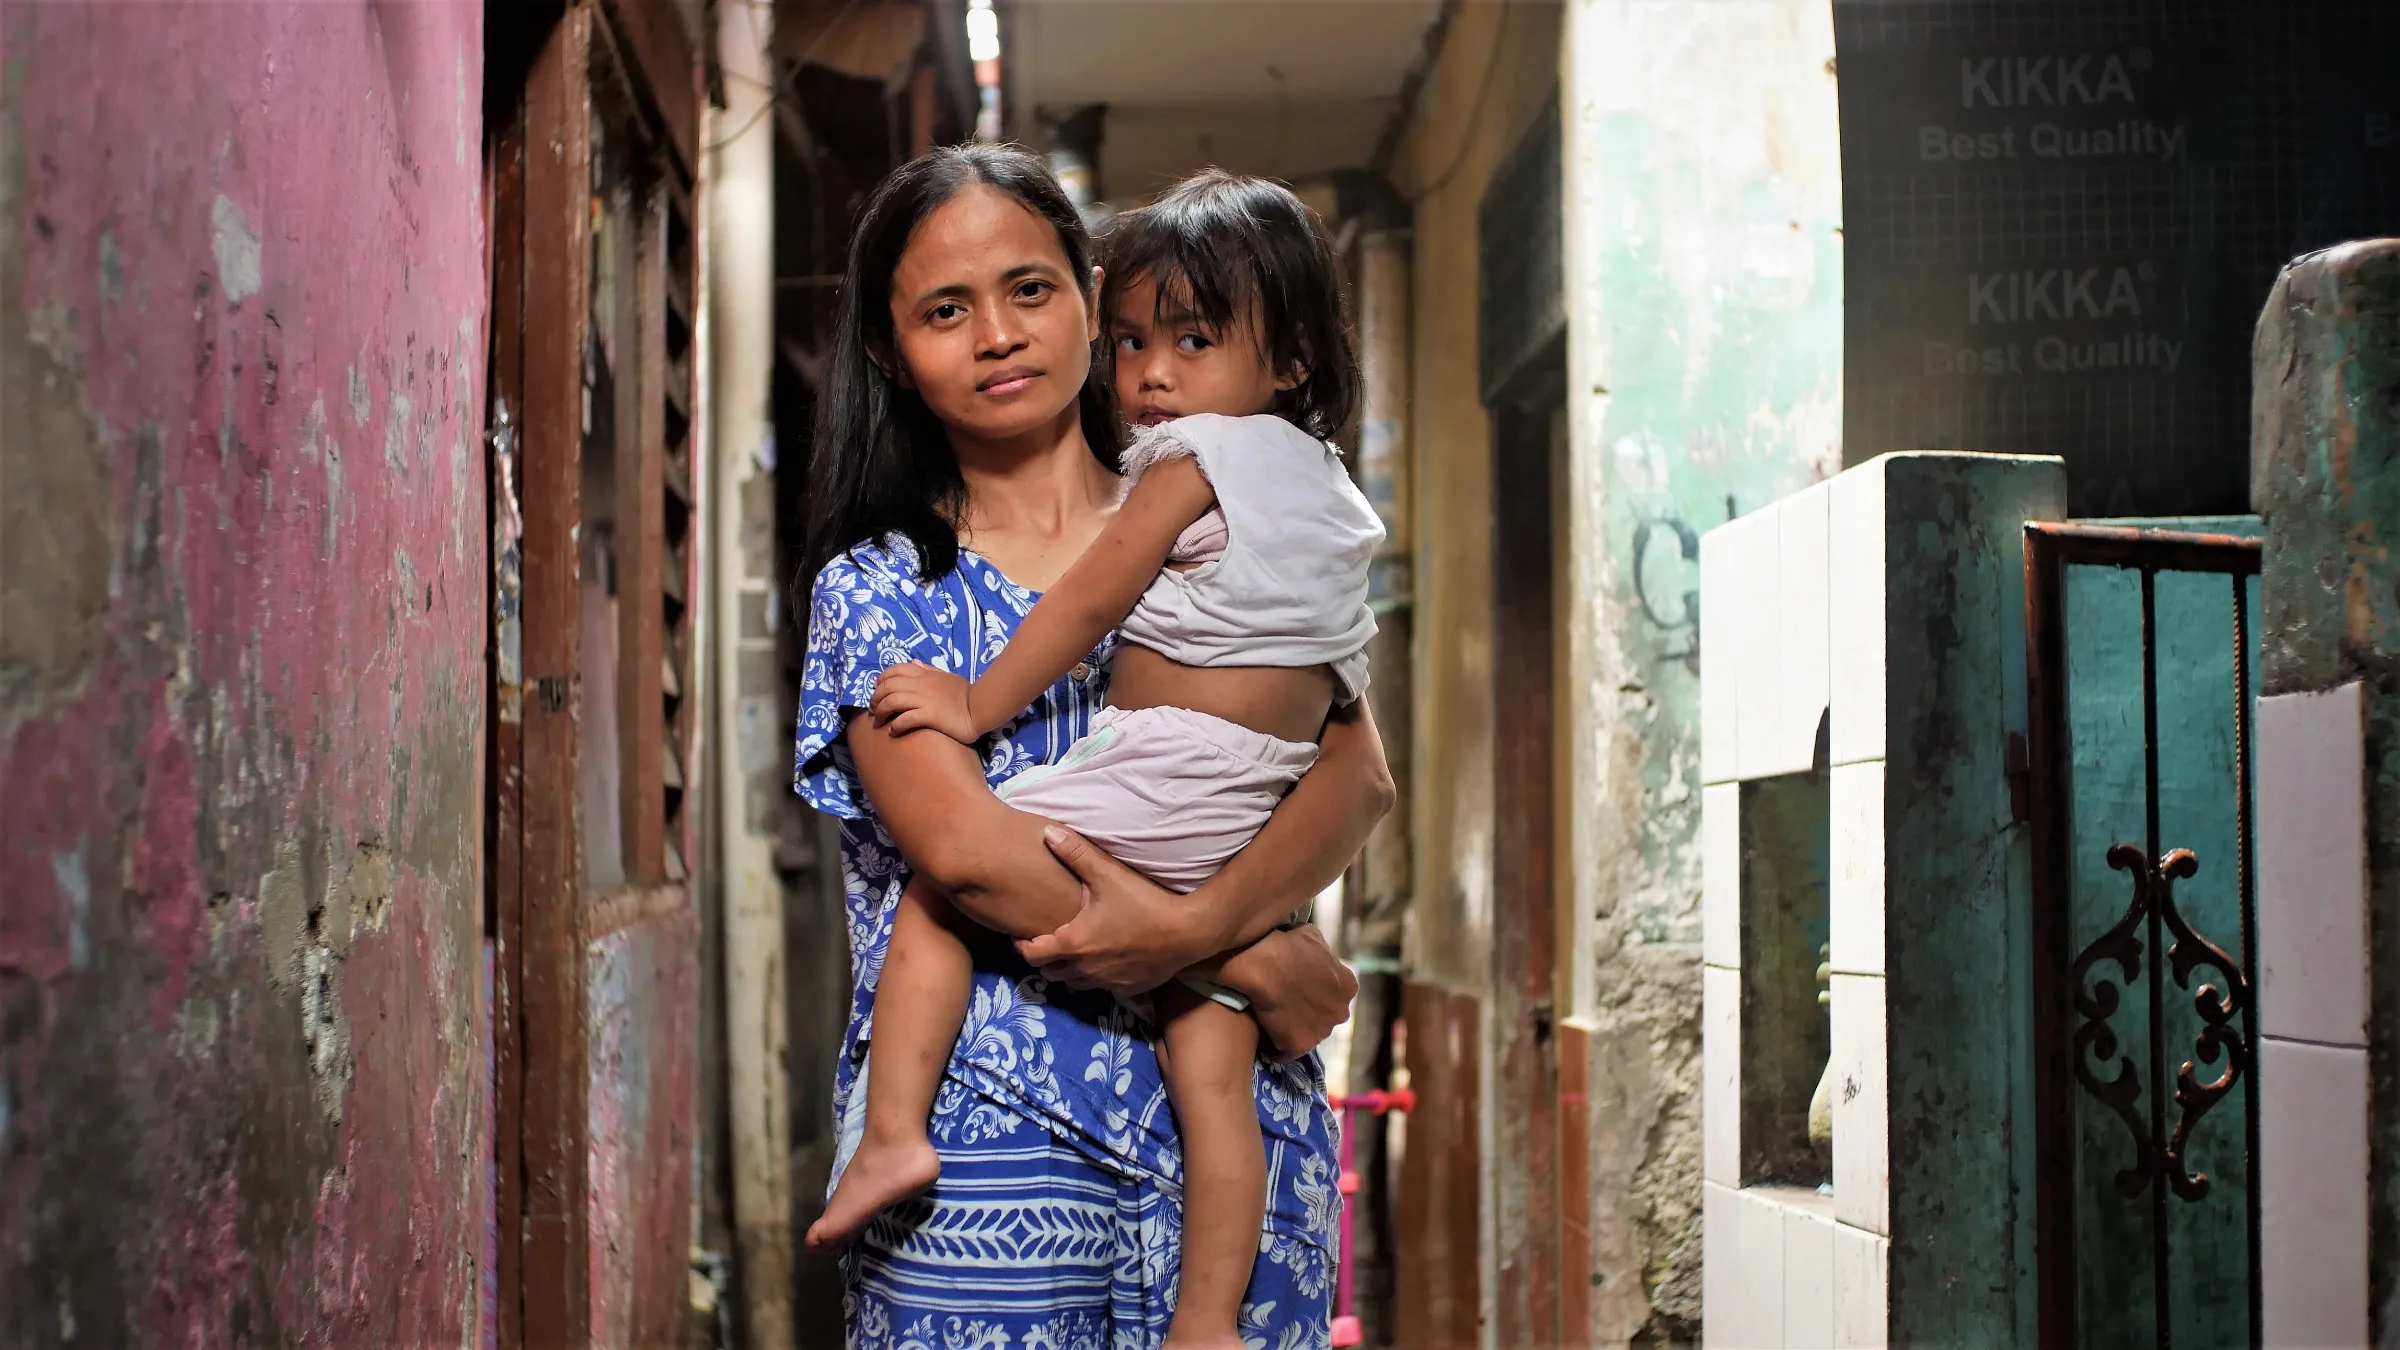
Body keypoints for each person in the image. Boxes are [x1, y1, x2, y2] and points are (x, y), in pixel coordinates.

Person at [791, 144, 1391, 1349]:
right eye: (945, 310)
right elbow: (964, 854)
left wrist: (1189, 933)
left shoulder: (1229, 510)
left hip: (1234, 1173)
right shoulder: (882, 592)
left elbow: (1354, 777)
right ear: (888, 353)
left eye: (1030, 288)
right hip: (983, 1170)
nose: (999, 335)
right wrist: (1234, 950)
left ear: (1088, 292)